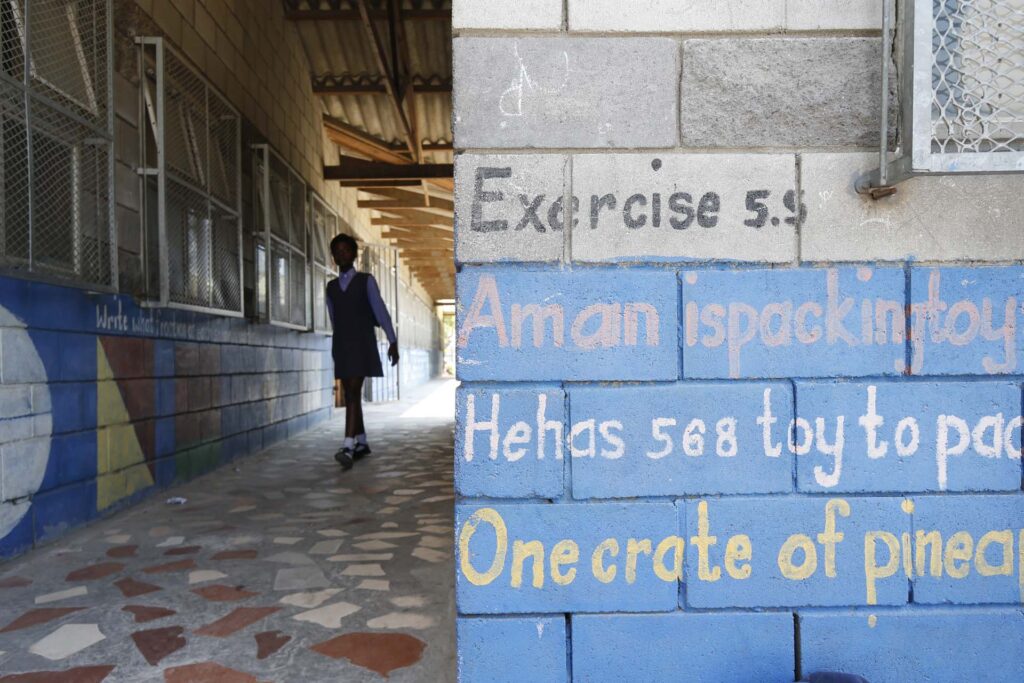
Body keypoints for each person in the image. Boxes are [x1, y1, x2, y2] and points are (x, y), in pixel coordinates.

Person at [326, 234, 399, 470]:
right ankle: (362, 441)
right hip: (342, 345)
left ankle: (348, 446)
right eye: (337, 251)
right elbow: (334, 319)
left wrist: (392, 340)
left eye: (346, 250)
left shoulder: (366, 281)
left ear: (354, 254)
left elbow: (380, 311)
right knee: (350, 393)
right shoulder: (331, 288)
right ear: (333, 256)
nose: (341, 254)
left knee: (354, 392)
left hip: (362, 344)